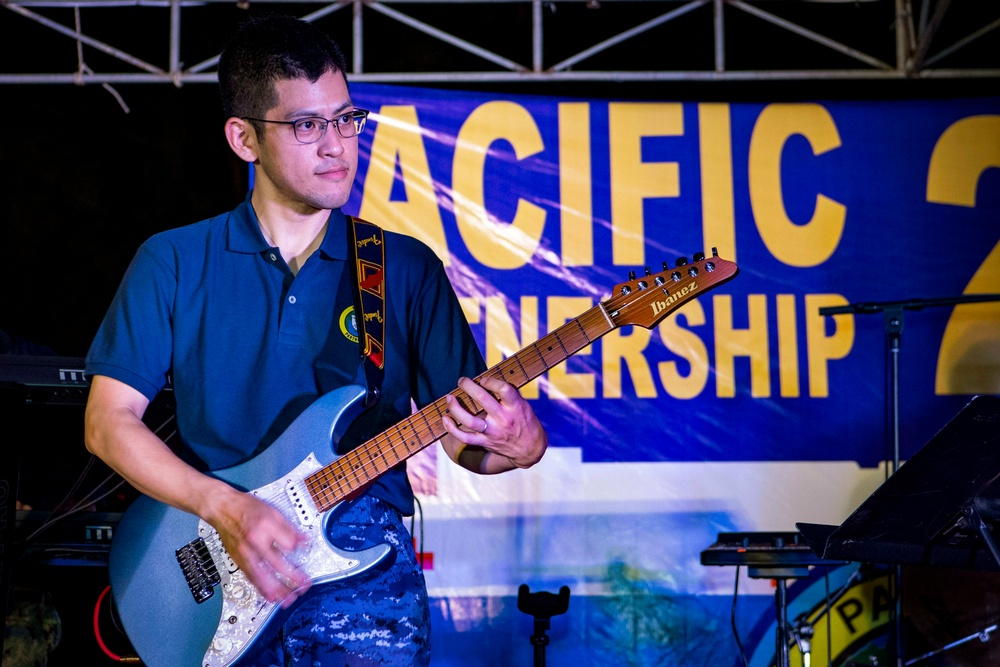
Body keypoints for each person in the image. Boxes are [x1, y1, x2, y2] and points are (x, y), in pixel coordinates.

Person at [83, 15, 547, 666]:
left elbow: (469, 442)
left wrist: (519, 445)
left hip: (365, 580)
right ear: (244, 139)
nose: (336, 146)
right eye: (306, 125)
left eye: (346, 119)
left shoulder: (403, 268)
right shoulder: (174, 261)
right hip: (216, 556)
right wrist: (226, 507)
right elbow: (108, 423)